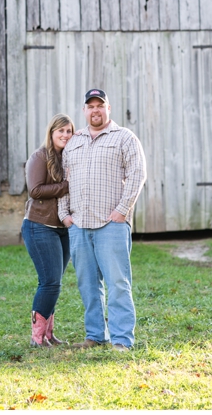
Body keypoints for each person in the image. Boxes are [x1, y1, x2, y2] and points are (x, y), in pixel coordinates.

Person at [58, 88, 146, 352]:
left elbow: (137, 174)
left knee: (118, 283)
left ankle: (122, 340)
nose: (95, 110)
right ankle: (95, 335)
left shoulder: (125, 138)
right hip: (79, 225)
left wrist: (122, 210)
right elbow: (64, 182)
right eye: (90, 106)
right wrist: (65, 215)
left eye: (100, 105)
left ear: (108, 108)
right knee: (87, 285)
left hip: (111, 225)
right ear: (84, 110)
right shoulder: (74, 141)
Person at [22, 113, 74, 347]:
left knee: (55, 282)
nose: (65, 135)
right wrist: (66, 186)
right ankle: (36, 338)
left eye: (69, 131)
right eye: (60, 131)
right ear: (51, 133)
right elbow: (35, 190)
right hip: (39, 225)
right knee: (50, 282)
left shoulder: (69, 157)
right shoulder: (39, 156)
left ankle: (48, 335)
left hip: (61, 228)